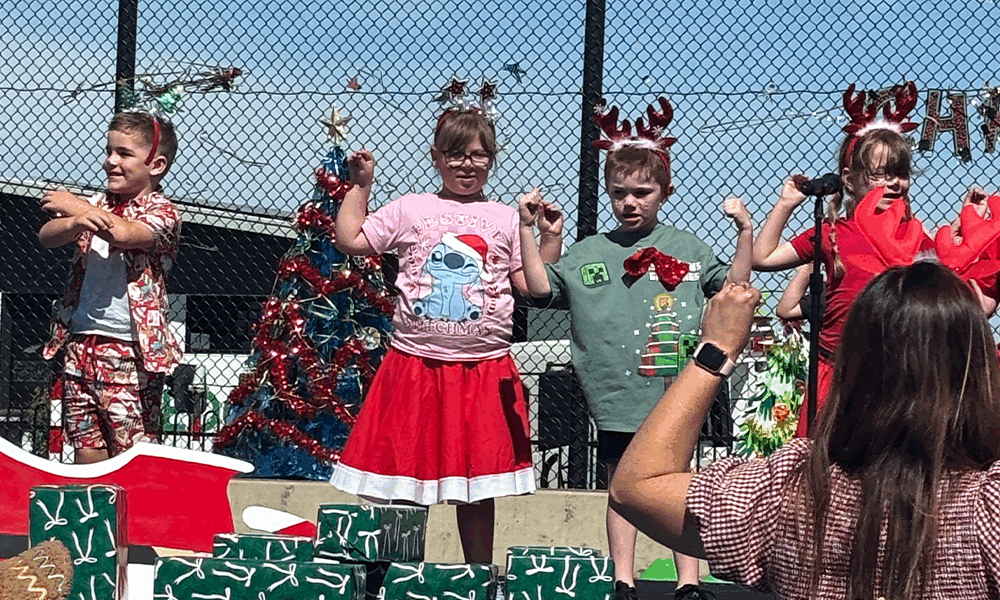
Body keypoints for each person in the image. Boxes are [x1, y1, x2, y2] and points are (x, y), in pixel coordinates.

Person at [609, 261, 1000, 600]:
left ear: (849, 367)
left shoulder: (789, 494)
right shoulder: (988, 507)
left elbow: (635, 486)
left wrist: (716, 348)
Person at [520, 97, 752, 600]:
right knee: (620, 484)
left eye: (642, 193)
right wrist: (530, 230)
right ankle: (623, 579)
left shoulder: (688, 248)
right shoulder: (589, 252)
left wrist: (745, 233)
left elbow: (733, 287)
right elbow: (538, 288)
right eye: (619, 193)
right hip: (614, 393)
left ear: (665, 191)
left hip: (675, 392)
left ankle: (688, 583)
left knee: (681, 482)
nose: (630, 202)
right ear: (607, 192)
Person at [329, 104, 561, 564]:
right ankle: (397, 575)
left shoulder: (505, 218)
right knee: (403, 480)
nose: (466, 164)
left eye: (478, 155)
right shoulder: (411, 207)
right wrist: (361, 185)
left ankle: (478, 577)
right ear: (435, 157)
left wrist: (548, 236)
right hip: (414, 365)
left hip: (483, 369)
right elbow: (350, 239)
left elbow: (533, 284)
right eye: (455, 154)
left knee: (477, 487)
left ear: (492, 158)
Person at [752, 124, 923, 437]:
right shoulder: (835, 232)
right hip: (836, 369)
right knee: (822, 453)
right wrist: (786, 204)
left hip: (897, 371)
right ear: (849, 179)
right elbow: (763, 258)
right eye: (880, 174)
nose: (894, 182)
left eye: (900, 173)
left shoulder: (913, 235)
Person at [38, 112, 182, 464]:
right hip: (80, 344)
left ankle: (133, 501)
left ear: (156, 165)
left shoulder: (165, 213)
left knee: (131, 452)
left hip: (129, 352)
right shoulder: (95, 205)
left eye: (124, 154)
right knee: (86, 444)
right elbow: (47, 236)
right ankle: (92, 498)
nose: (111, 161)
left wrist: (74, 205)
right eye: (108, 151)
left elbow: (125, 233)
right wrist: (76, 219)